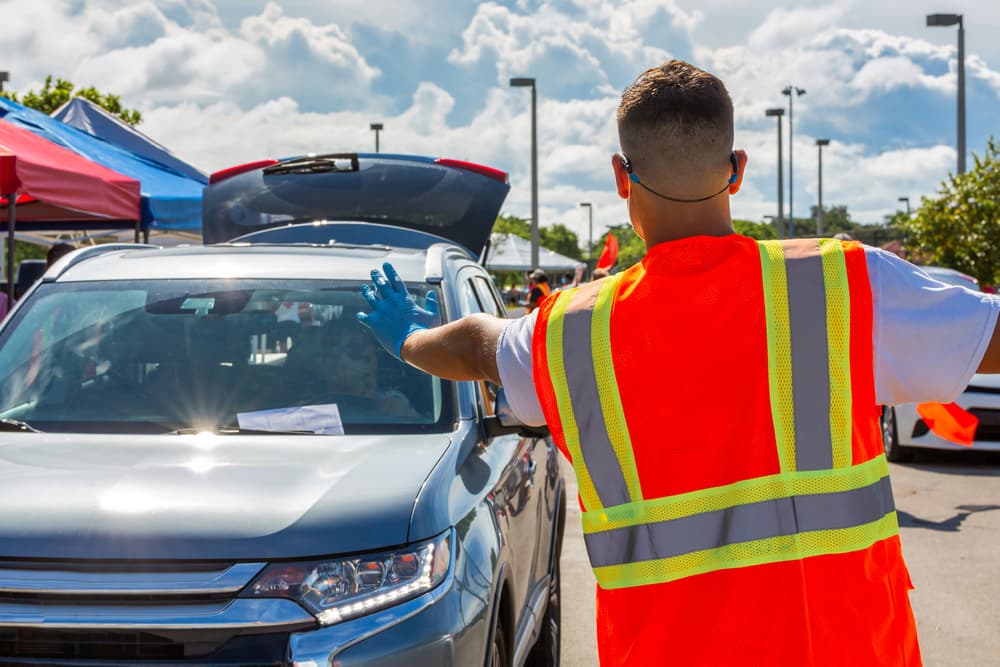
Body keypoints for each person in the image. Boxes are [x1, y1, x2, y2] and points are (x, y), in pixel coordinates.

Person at [356, 59, 1000, 666]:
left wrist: (409, 339)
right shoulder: (841, 286)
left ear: (620, 176)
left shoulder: (572, 331)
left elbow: (474, 344)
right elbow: (987, 337)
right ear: (738, 167)